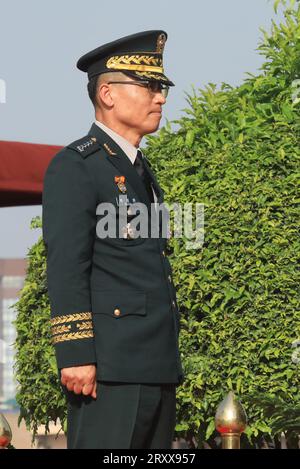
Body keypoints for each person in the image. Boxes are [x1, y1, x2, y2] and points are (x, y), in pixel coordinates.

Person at [42, 30, 183, 449]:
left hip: (154, 365)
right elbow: (67, 264)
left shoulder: (140, 169)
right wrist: (76, 355)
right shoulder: (77, 166)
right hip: (108, 370)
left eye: (163, 89)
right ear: (107, 93)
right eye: (151, 87)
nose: (161, 98)